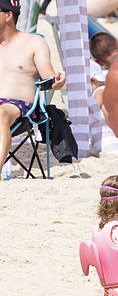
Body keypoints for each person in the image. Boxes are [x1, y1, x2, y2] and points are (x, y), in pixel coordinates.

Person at [0, 0, 65, 180]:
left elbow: (48, 76)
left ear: (8, 15)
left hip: (21, 107)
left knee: (0, 113)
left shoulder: (33, 42)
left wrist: (56, 81)